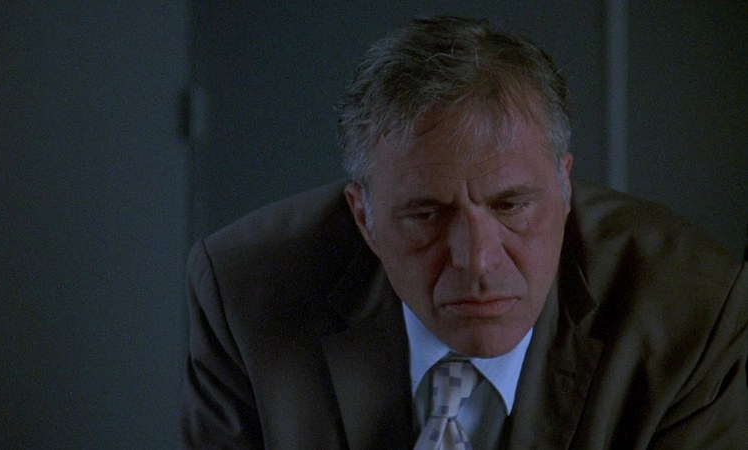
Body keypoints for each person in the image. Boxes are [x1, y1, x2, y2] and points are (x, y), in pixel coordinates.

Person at [181, 16, 748, 449]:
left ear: (564, 189)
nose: (477, 260)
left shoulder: (691, 307)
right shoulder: (244, 291)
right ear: (364, 218)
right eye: (426, 215)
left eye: (511, 205)